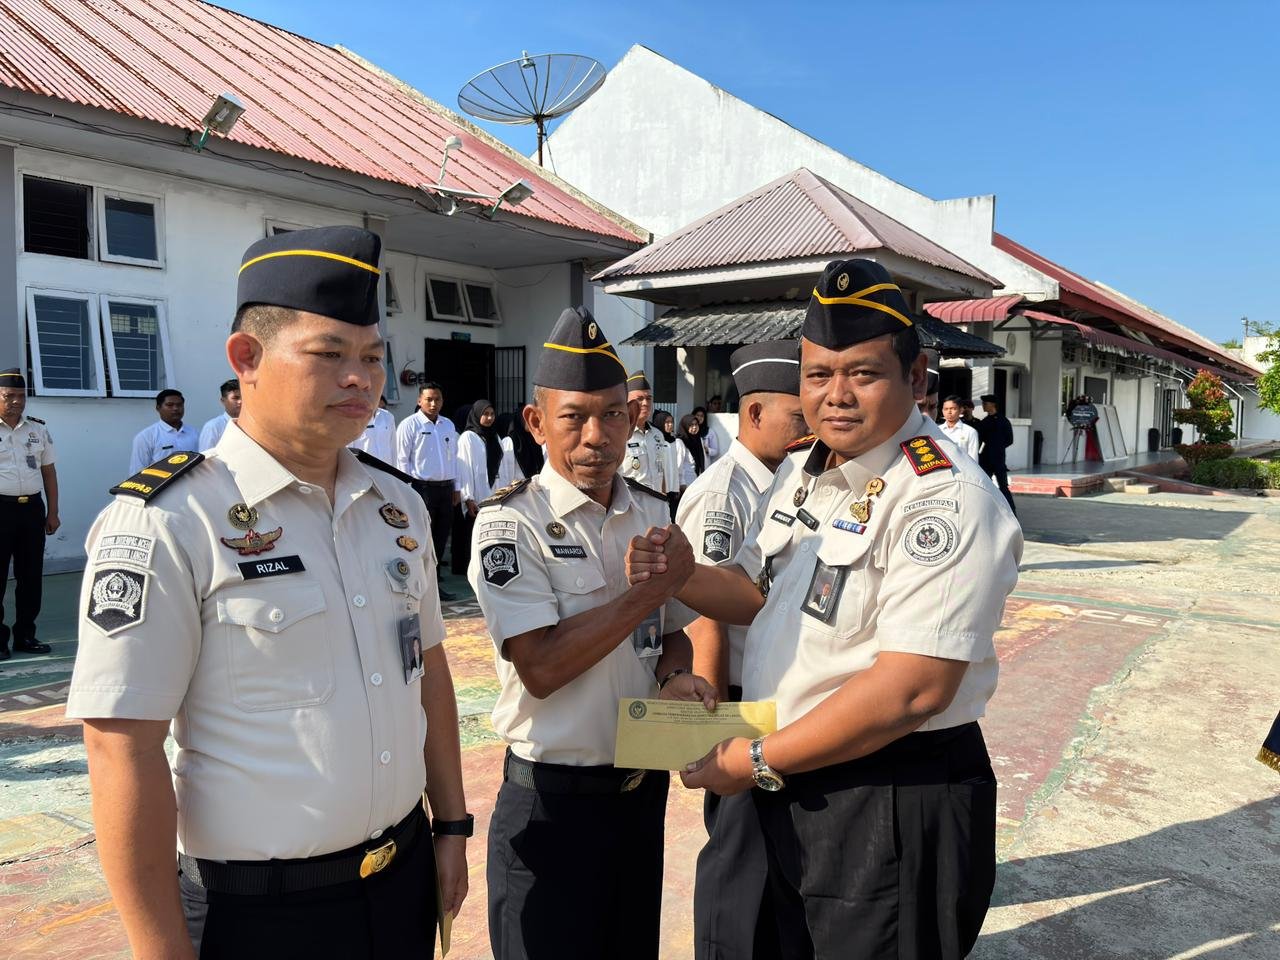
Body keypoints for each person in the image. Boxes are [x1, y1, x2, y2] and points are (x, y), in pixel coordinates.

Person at [66, 226, 471, 959]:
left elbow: (429, 672)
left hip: (401, 883)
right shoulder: (168, 520)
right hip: (258, 918)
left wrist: (452, 828)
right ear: (245, 359)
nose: (361, 379)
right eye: (329, 355)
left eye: (374, 358)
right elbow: (120, 747)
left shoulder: (395, 507)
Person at [627, 258, 1023, 960]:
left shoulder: (942, 497)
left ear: (917, 378)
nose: (835, 396)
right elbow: (755, 593)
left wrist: (750, 759)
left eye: (863, 374)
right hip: (799, 769)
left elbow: (912, 689)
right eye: (818, 375)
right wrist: (681, 576)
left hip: (891, 791)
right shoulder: (807, 472)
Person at [468, 306, 714, 960]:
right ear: (537, 422)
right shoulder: (509, 525)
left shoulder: (652, 509)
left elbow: (672, 634)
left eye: (612, 414)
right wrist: (648, 595)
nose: (596, 434)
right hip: (551, 809)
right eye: (574, 416)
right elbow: (541, 668)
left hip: (638, 797)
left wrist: (675, 675)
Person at [674, 340, 808, 960]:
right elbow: (704, 613)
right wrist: (713, 727)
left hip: (773, 690)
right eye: (798, 417)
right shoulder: (722, 492)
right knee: (738, 856)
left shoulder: (791, 480)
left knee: (773, 854)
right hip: (732, 695)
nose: (810, 429)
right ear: (754, 415)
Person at [0, 368, 58, 659]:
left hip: (32, 509)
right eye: (9, 396)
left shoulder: (37, 429)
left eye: (21, 396)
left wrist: (53, 512)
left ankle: (25, 634)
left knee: (31, 576)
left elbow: (49, 472)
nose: (16, 402)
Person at [396, 382, 460, 600]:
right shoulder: (409, 425)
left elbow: (454, 458)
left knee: (441, 537)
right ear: (419, 401)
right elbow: (402, 461)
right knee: (423, 538)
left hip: (445, 489)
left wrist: (456, 487)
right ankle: (418, 585)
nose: (434, 404)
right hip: (422, 489)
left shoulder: (448, 425)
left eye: (438, 399)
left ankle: (434, 586)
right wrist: (407, 491)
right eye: (429, 399)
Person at [453, 399, 503, 575]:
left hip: (493, 494)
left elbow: (500, 467)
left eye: (492, 414)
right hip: (476, 495)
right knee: (473, 536)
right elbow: (464, 468)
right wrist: (468, 498)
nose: (489, 418)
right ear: (476, 415)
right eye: (485, 414)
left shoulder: (495, 437)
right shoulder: (468, 437)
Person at [620, 371, 671, 495]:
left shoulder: (657, 435)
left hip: (656, 503)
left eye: (648, 398)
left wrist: (664, 498)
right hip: (632, 504)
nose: (645, 403)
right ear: (627, 401)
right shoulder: (620, 434)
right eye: (639, 399)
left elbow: (661, 470)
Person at [129, 389, 198, 473]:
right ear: (158, 408)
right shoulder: (146, 437)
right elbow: (137, 472)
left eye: (179, 405)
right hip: (162, 485)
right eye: (170, 405)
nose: (176, 408)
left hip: (190, 485)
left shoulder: (195, 433)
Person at [976, 393, 1016, 515]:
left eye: (985, 404)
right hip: (986, 459)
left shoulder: (1003, 421)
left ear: (992, 405)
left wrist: (997, 447)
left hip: (998, 459)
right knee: (984, 486)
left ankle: (1011, 512)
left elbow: (1009, 439)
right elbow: (979, 439)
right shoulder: (984, 422)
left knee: (1003, 487)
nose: (983, 406)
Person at [197, 379, 242, 450]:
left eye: (243, 397)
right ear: (223, 401)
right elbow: (206, 458)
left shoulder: (251, 424)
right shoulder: (213, 427)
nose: (240, 401)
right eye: (235, 398)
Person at [350, 395, 396, 463]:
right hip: (363, 470)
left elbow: (393, 449)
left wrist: (394, 472)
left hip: (386, 471)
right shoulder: (353, 417)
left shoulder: (388, 417)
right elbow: (349, 451)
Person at [501, 408, 543, 480]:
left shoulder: (534, 438)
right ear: (520, 420)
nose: (531, 422)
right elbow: (507, 470)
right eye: (527, 419)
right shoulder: (509, 441)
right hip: (517, 488)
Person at [938, 394, 980, 462]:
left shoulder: (970, 432)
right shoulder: (937, 430)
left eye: (953, 409)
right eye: (946, 409)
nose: (949, 412)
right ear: (942, 411)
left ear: (961, 410)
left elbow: (973, 459)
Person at [674, 413, 705, 492]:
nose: (694, 427)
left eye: (696, 424)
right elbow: (678, 465)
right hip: (686, 484)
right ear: (685, 426)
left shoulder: (698, 440)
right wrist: (681, 484)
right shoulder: (680, 442)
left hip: (697, 481)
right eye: (691, 425)